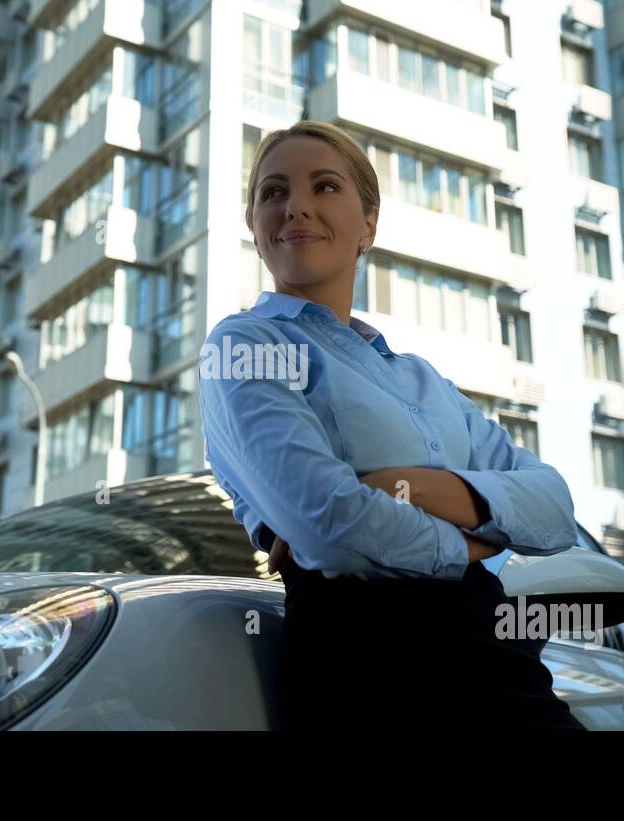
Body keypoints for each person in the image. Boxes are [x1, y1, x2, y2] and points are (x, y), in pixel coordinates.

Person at [198, 120, 587, 731]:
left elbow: (556, 505)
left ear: (369, 225)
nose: (295, 206)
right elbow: (333, 528)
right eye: (272, 193)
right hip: (365, 675)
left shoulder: (424, 381)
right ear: (254, 227)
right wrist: (474, 543)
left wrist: (399, 485)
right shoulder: (244, 344)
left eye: (324, 186)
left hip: (506, 671)